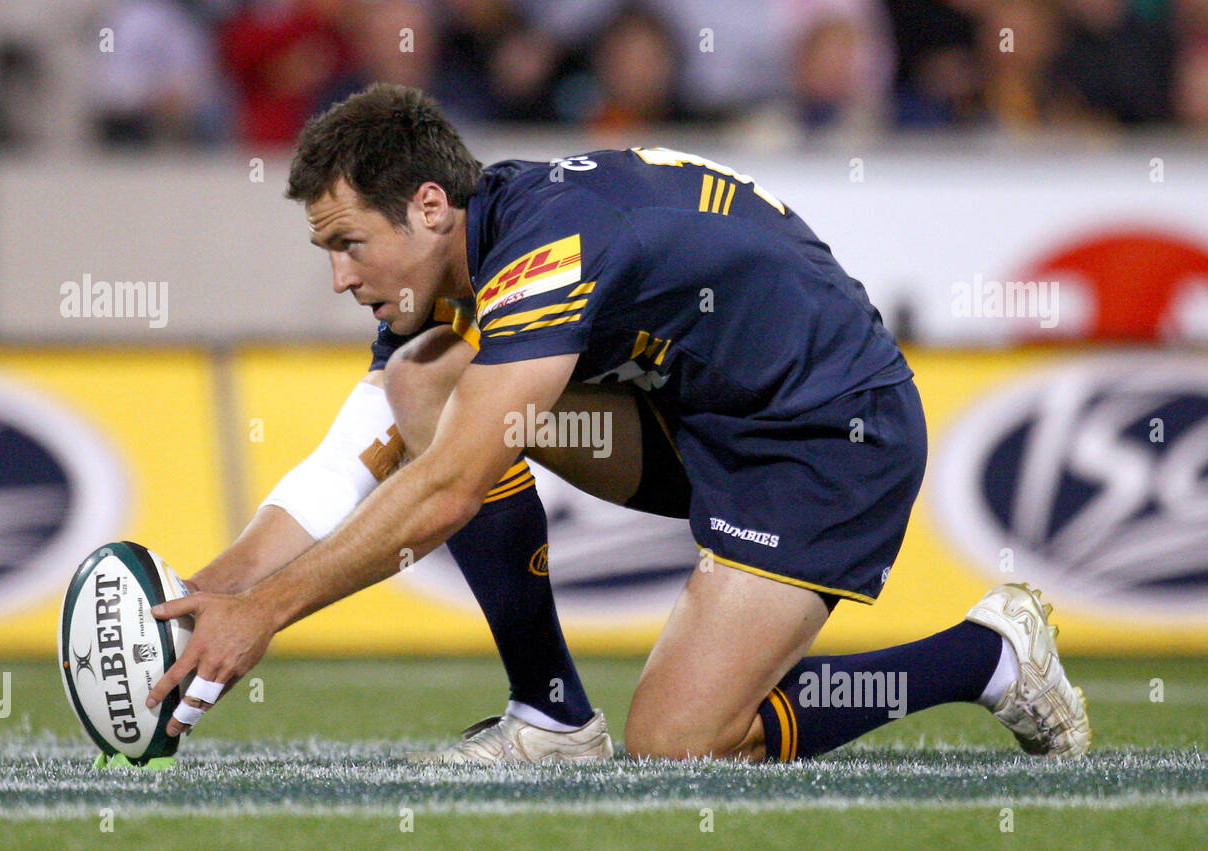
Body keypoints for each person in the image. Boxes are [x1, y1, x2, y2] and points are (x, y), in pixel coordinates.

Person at [147, 83, 1092, 763]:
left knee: (681, 743)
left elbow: (445, 491)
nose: (341, 277)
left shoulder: (548, 247)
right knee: (423, 388)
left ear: (429, 206)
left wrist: (264, 615)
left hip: (826, 432)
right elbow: (352, 458)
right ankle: (551, 718)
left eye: (348, 244)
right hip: (701, 416)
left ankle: (988, 655)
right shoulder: (470, 258)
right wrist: (205, 594)